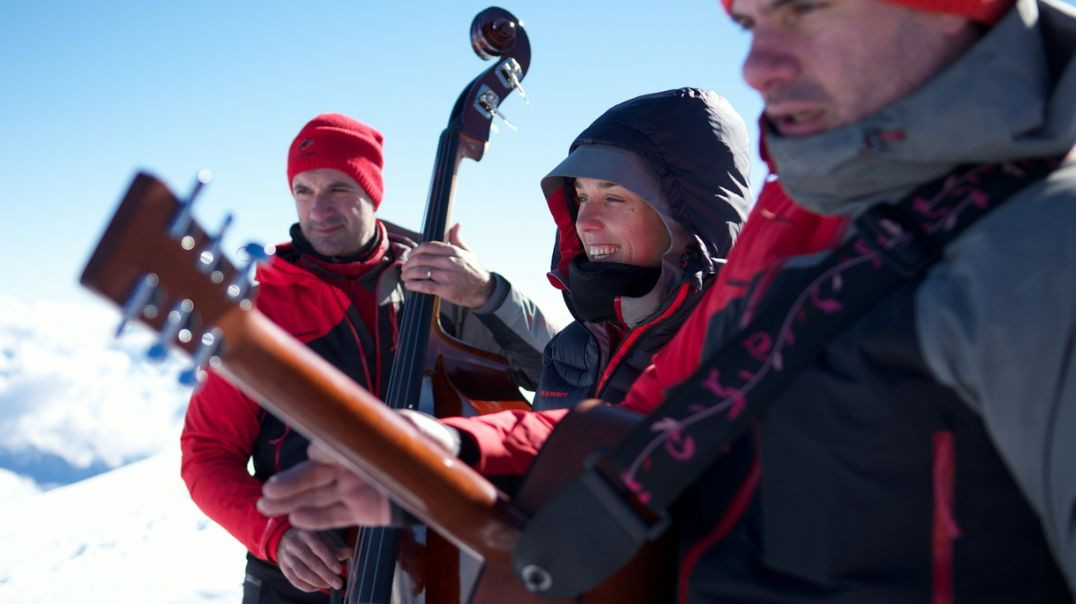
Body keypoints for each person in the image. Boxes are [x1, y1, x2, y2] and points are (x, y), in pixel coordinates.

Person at [262, 1, 1076, 600]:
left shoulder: (1044, 244)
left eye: (805, 9)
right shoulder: (794, 221)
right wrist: (452, 455)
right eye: (749, 21)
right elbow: (647, 421)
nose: (757, 65)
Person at [180, 112, 557, 603]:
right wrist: (273, 533)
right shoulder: (259, 306)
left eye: (338, 188)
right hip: (303, 576)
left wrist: (486, 292)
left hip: (435, 569)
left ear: (372, 192)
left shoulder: (437, 283)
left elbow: (557, 372)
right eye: (304, 190)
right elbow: (206, 453)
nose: (318, 209)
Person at [517, 87, 751, 411]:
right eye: (581, 198)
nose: (584, 223)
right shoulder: (569, 348)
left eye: (613, 198)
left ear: (685, 219)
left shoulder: (744, 349)